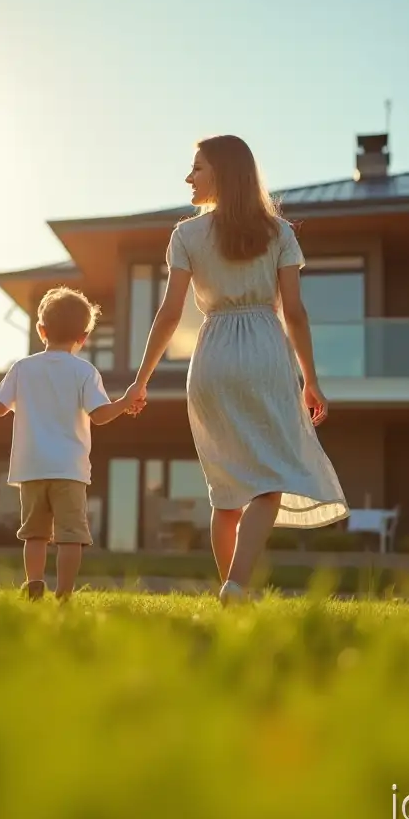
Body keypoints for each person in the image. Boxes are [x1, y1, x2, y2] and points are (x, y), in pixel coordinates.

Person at [125, 135, 348, 605]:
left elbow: (168, 314)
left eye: (198, 168)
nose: (189, 177)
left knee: (225, 490)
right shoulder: (279, 233)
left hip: (212, 357)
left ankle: (233, 589)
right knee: (268, 481)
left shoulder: (185, 235)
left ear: (223, 173)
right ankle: (237, 587)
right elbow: (296, 313)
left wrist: (140, 379)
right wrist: (311, 379)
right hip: (264, 353)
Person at [0, 286, 141, 601]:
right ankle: (63, 594)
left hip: (31, 467)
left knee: (34, 533)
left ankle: (34, 583)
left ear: (41, 330)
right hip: (70, 470)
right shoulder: (85, 372)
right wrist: (125, 402)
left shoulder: (23, 368)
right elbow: (101, 416)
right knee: (70, 536)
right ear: (84, 337)